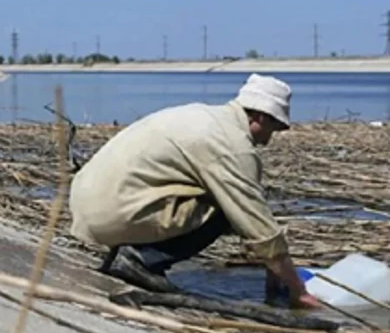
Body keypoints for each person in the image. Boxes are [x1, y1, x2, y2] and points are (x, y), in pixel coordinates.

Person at [68, 73, 321, 308]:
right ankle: (141, 260)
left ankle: (134, 252)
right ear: (261, 117)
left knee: (220, 201)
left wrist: (273, 269)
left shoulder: (204, 116)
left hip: (88, 204)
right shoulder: (233, 145)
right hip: (114, 212)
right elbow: (258, 226)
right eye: (272, 130)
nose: (268, 139)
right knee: (224, 210)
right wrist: (297, 290)